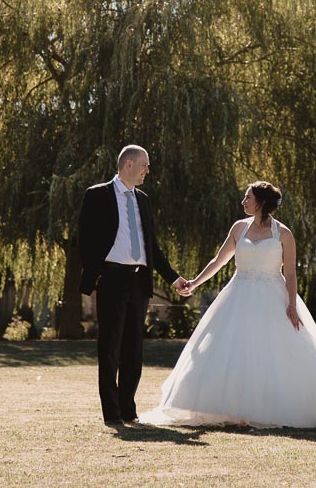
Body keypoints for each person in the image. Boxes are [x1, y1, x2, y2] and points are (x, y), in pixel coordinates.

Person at [139, 181, 316, 428]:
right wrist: (194, 283)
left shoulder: (284, 234)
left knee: (273, 351)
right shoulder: (238, 228)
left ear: (261, 202)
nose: (243, 202)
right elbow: (219, 261)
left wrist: (291, 304)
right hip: (238, 296)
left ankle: (272, 409)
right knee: (232, 349)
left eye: (248, 198)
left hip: (272, 297)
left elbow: (290, 273)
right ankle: (230, 409)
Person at [78, 145, 190, 426]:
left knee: (133, 350)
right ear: (128, 164)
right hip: (111, 278)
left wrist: (173, 277)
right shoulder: (97, 195)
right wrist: (95, 273)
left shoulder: (143, 200)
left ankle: (128, 408)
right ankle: (112, 413)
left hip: (139, 280)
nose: (147, 170)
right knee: (110, 348)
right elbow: (85, 240)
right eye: (144, 165)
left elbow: (152, 245)